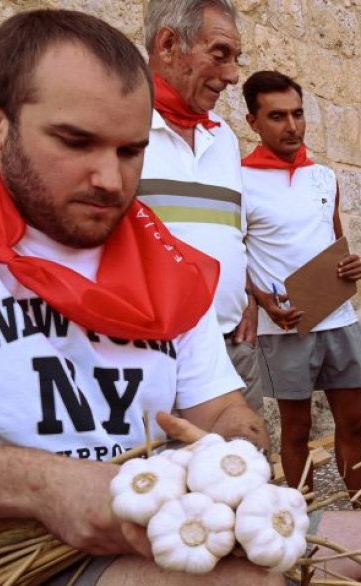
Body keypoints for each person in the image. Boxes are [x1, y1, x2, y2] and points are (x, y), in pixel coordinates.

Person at [0, 10, 361, 586]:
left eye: (130, 149)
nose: (110, 179)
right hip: (5, 574)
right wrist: (46, 486)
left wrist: (231, 457)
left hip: (156, 537)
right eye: (75, 141)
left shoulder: (159, 261)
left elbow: (225, 411)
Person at [241, 70, 361, 496]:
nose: (292, 126)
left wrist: (351, 266)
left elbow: (335, 242)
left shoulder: (325, 177)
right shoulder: (239, 181)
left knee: (354, 424)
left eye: (298, 114)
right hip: (286, 323)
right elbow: (231, 254)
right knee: (296, 432)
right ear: (252, 122)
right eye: (277, 116)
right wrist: (261, 300)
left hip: (339, 318)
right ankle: (303, 530)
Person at [137, 0, 264, 413]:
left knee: (244, 471)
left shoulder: (223, 136)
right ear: (169, 44)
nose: (233, 75)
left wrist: (247, 294)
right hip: (155, 356)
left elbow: (231, 232)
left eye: (236, 58)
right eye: (219, 53)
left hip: (233, 347)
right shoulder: (123, 127)